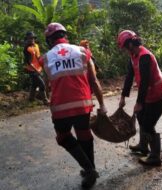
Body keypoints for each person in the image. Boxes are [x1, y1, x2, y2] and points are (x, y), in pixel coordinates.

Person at [39, 23, 107, 188]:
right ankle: (90, 169)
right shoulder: (82, 52)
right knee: (84, 135)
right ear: (65, 35)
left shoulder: (46, 58)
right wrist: (102, 104)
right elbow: (94, 81)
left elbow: (48, 84)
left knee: (63, 137)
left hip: (60, 108)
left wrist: (46, 96)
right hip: (82, 105)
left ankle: (89, 170)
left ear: (49, 40)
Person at [118, 30, 162, 166]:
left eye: (124, 47)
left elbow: (145, 81)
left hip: (157, 94)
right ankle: (143, 146)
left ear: (129, 44)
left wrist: (139, 102)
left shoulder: (144, 56)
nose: (124, 51)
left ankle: (155, 156)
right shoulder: (133, 56)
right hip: (147, 94)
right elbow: (129, 77)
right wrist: (123, 97)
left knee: (148, 124)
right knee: (140, 116)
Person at [23, 31, 49, 104]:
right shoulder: (27, 49)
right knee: (42, 84)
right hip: (31, 69)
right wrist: (35, 70)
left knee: (34, 84)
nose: (31, 40)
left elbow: (38, 57)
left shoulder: (36, 46)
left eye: (32, 38)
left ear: (34, 38)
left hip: (38, 68)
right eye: (29, 38)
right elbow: (28, 62)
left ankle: (31, 99)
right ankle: (45, 100)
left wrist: (42, 65)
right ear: (27, 39)